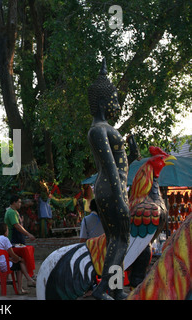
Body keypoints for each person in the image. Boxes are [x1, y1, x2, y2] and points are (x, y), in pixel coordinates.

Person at [87, 58, 130, 300]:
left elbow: (121, 164)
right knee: (121, 239)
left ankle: (116, 288)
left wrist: (131, 154)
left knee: (117, 239)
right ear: (103, 103)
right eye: (114, 101)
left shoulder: (102, 129)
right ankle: (102, 289)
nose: (117, 106)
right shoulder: (99, 130)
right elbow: (112, 168)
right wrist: (120, 196)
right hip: (111, 188)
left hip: (107, 189)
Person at [0, 222, 36, 294]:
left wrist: (11, 259)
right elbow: (12, 254)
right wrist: (19, 259)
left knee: (17, 261)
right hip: (3, 267)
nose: (8, 231)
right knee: (20, 263)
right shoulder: (5, 239)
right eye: (7, 229)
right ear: (4, 230)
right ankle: (21, 288)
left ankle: (29, 280)